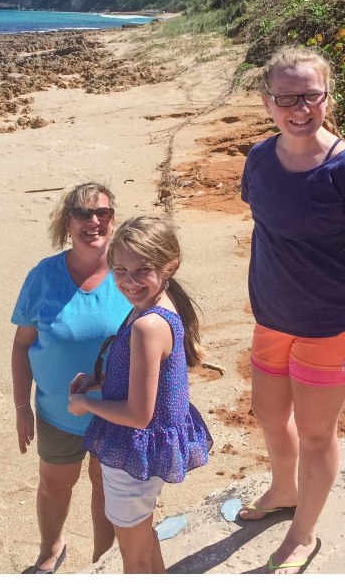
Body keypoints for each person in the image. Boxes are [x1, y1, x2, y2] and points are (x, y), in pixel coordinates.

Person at [238, 46, 345, 574]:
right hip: (272, 312)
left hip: (330, 320)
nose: (299, 107)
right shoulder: (260, 157)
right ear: (268, 102)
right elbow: (268, 220)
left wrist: (329, 250)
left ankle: (302, 534)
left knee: (314, 433)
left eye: (310, 95)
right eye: (286, 97)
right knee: (267, 413)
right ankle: (283, 490)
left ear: (327, 96)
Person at [67, 215, 211, 574]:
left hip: (136, 449)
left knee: (133, 558)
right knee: (143, 536)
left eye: (141, 270)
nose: (129, 281)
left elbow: (137, 415)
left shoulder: (147, 325)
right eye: (120, 270)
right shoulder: (157, 306)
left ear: (169, 267)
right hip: (149, 448)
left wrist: (86, 404)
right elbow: (150, 375)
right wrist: (99, 379)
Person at [10, 182, 132, 574]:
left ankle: (101, 561)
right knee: (54, 485)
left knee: (106, 489)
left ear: (114, 220)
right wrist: (21, 407)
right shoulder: (42, 277)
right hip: (55, 413)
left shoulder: (130, 273)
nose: (94, 222)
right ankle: (50, 549)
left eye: (103, 214)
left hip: (113, 411)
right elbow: (21, 345)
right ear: (67, 223)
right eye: (83, 214)